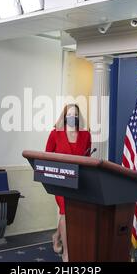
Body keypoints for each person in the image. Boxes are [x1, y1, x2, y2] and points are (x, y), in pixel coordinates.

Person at [45, 104, 92, 262]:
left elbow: (87, 157)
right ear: (64, 116)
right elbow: (47, 157)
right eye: (70, 114)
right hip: (59, 180)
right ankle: (66, 253)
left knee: (68, 211)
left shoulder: (86, 135)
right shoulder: (55, 134)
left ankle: (56, 236)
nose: (73, 117)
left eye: (75, 115)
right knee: (66, 209)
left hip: (77, 180)